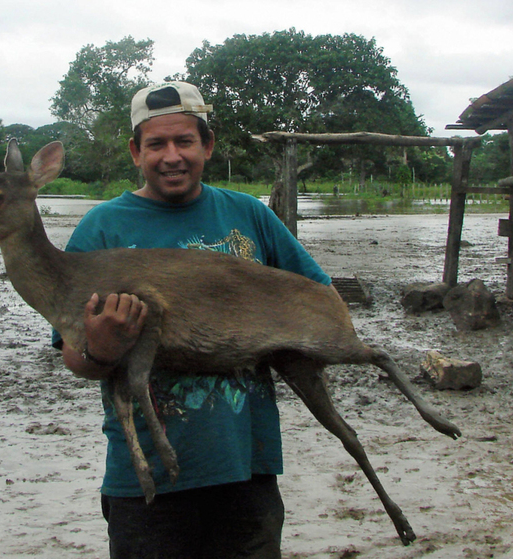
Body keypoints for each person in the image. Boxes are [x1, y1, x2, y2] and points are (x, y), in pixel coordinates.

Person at [53, 81, 333, 558]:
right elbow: (74, 359)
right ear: (135, 151)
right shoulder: (100, 229)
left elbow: (317, 297)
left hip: (248, 469)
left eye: (184, 141)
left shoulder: (248, 215)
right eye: (156, 144)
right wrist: (100, 348)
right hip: (145, 484)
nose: (171, 156)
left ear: (207, 145)